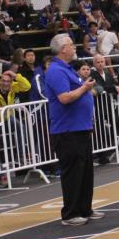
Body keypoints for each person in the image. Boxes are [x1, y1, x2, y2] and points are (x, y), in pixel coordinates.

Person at [43, 33, 102, 226]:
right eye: (71, 45)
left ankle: (85, 208)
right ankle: (70, 213)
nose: (75, 47)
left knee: (85, 171)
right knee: (73, 173)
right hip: (67, 130)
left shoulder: (67, 69)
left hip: (80, 128)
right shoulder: (56, 70)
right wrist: (84, 88)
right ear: (63, 49)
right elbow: (64, 98)